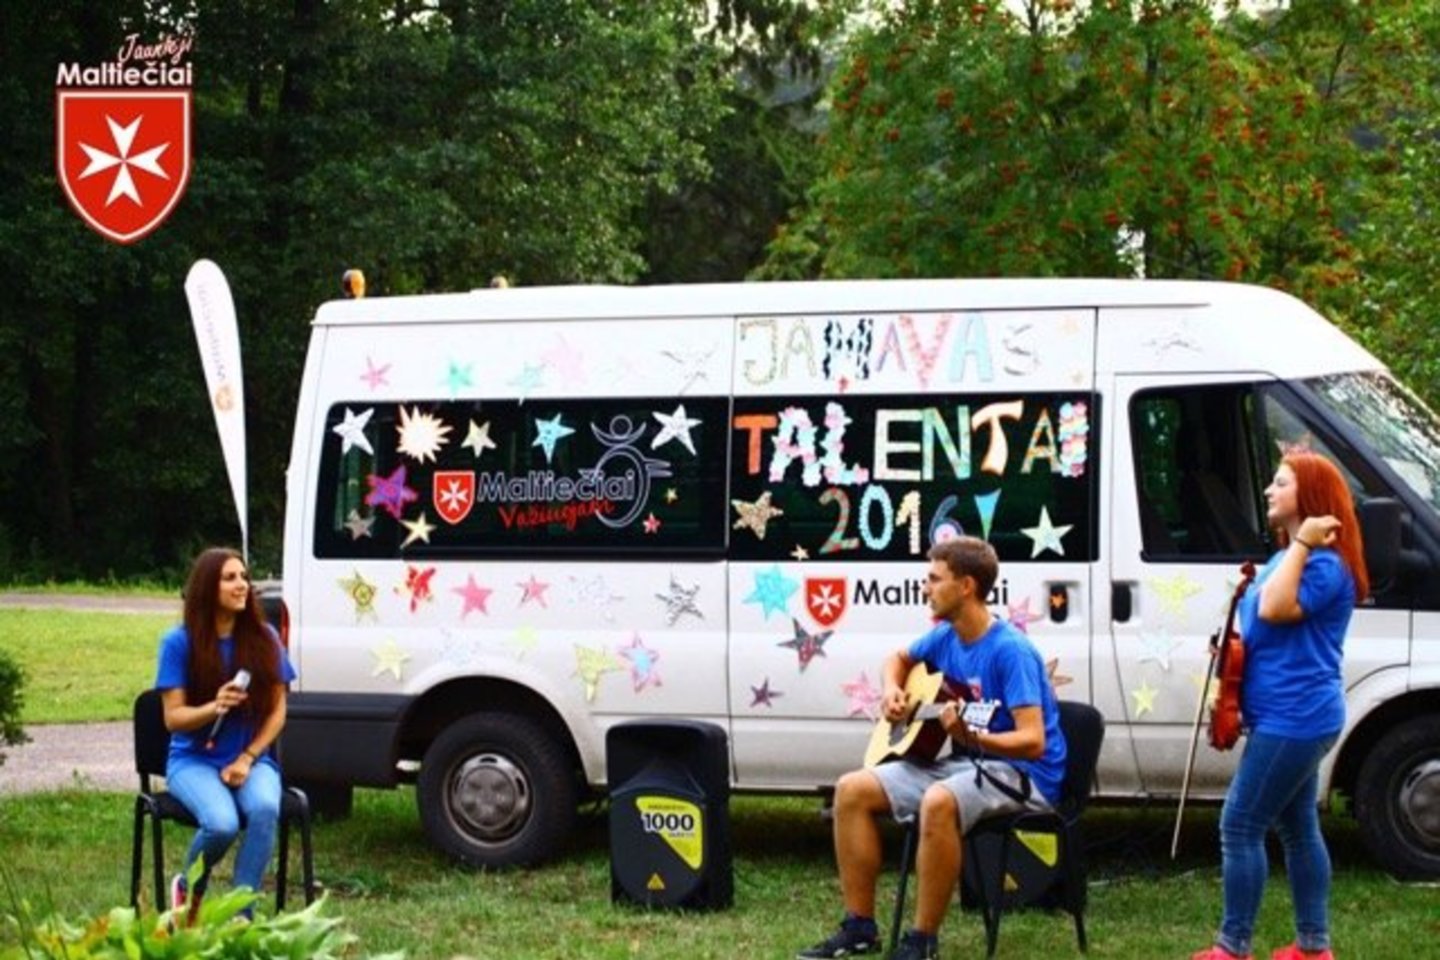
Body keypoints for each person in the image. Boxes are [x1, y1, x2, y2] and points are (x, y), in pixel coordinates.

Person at [799, 536, 1067, 960]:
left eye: (934, 579)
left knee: (939, 802)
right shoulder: (945, 637)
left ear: (966, 587)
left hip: (1023, 775)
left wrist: (971, 737)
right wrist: (891, 691)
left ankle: (921, 942)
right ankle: (859, 929)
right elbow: (899, 659)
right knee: (851, 789)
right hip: (968, 761)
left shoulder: (1010, 651)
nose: (926, 588)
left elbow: (1033, 741)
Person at [1192, 452, 1368, 960]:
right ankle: (1313, 948)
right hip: (1284, 715)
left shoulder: (1325, 565)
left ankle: (1233, 946)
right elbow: (1263, 623)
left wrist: (1307, 542)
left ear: (1309, 498)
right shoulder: (1287, 556)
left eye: (1281, 482)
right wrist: (1231, 653)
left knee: (1239, 824)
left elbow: (1274, 606)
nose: (1268, 490)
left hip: (1298, 718)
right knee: (1297, 828)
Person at [154, 547, 297, 920]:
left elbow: (278, 709)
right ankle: (188, 888)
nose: (242, 585)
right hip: (193, 761)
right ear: (207, 587)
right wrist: (213, 707)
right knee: (222, 824)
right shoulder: (178, 643)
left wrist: (248, 757)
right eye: (230, 578)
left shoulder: (265, 637)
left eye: (244, 577)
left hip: (250, 758)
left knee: (266, 808)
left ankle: (241, 914)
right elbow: (173, 719)